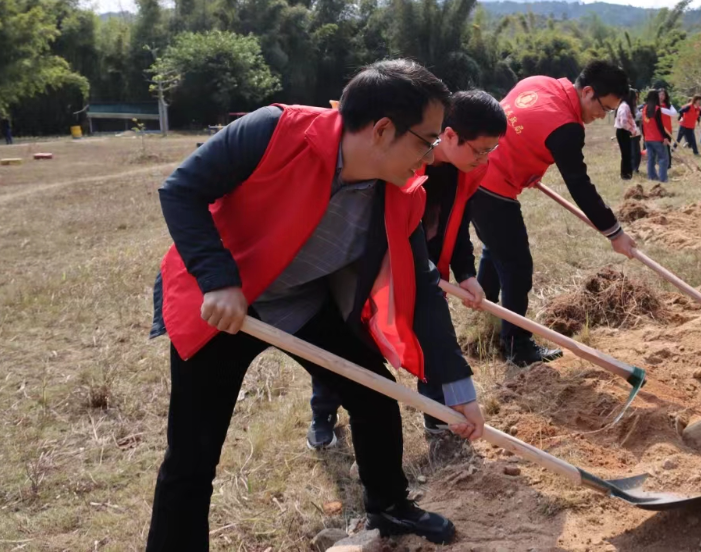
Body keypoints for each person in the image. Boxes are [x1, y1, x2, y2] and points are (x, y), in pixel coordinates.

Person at [145, 60, 484, 549]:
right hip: (220, 305)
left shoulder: (398, 192)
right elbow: (181, 190)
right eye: (426, 140)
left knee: (373, 396)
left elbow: (425, 286)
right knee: (193, 453)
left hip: (299, 301)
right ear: (383, 130)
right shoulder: (274, 129)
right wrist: (218, 280)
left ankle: (390, 508)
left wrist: (456, 388)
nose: (432, 156)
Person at [306, 90, 507, 450]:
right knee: (347, 338)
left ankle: (438, 416)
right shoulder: (405, 160)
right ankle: (323, 413)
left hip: (426, 266)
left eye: (490, 151)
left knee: (430, 336)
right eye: (478, 150)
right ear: (448, 135)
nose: (483, 159)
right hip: (374, 260)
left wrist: (466, 273)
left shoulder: (471, 169)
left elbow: (458, 223)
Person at [472, 60, 637, 365]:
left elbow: (518, 128)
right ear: (587, 92)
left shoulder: (537, 82)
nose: (602, 117)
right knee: (517, 267)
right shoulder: (567, 127)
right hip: (492, 186)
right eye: (604, 108)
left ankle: (483, 317)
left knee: (496, 250)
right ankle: (516, 346)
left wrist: (527, 167)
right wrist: (614, 232)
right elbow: (580, 185)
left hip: (474, 173)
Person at [642, 89, 672, 182]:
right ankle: (663, 178)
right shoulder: (656, 109)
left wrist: (644, 136)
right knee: (663, 158)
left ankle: (652, 177)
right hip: (657, 138)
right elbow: (660, 125)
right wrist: (665, 137)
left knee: (651, 159)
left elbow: (642, 125)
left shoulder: (644, 108)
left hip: (647, 139)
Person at [614, 92, 640, 180]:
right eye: (634, 98)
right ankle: (625, 175)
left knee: (627, 154)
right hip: (623, 131)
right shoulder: (625, 106)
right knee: (626, 154)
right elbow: (623, 121)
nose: (635, 101)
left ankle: (627, 173)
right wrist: (631, 129)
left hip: (624, 131)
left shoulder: (625, 106)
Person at [629, 91, 643, 175]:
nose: (637, 99)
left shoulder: (635, 107)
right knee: (633, 151)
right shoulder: (626, 107)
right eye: (635, 97)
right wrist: (640, 114)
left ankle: (635, 168)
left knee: (637, 152)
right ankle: (632, 168)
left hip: (636, 132)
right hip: (630, 133)